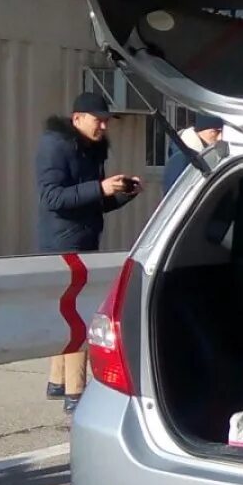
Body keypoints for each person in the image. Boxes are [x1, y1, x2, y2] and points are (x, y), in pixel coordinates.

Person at [37, 92, 142, 414]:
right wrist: (100, 188)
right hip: (62, 244)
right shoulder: (56, 146)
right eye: (98, 120)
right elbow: (52, 198)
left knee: (66, 312)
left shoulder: (91, 148)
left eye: (106, 121)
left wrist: (122, 194)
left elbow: (92, 201)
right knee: (78, 314)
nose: (103, 126)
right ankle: (75, 392)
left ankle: (57, 381)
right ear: (77, 118)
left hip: (83, 239)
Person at [162, 113, 227, 191]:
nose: (220, 137)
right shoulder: (181, 158)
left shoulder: (207, 154)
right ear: (202, 130)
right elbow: (175, 194)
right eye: (215, 131)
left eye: (222, 132)